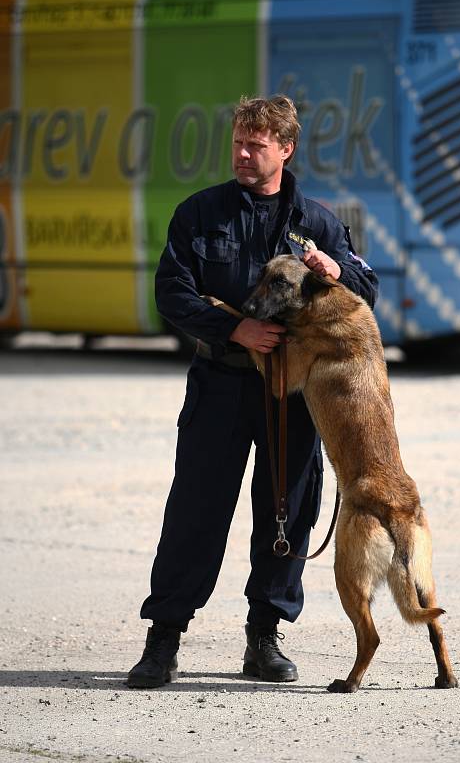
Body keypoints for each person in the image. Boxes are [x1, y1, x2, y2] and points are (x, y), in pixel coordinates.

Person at [127, 95, 378, 688]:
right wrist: (234, 327)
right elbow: (172, 293)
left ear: (285, 150)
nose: (242, 154)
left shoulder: (316, 222)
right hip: (220, 381)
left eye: (256, 145)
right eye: (238, 142)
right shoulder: (200, 214)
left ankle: (263, 637)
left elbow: (367, 285)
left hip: (292, 395)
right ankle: (163, 640)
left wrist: (337, 272)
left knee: (287, 511)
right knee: (195, 509)